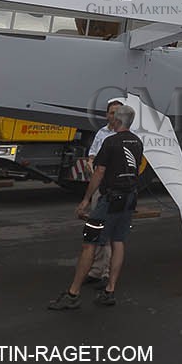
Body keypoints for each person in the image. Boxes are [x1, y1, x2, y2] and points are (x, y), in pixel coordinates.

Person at [48, 101, 142, 310]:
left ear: (117, 120)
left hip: (109, 199)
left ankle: (73, 294)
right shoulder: (137, 141)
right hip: (129, 198)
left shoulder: (110, 142)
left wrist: (85, 200)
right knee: (118, 241)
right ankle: (110, 290)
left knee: (89, 243)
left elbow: (99, 172)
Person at [81, 100, 119, 288]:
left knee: (108, 230)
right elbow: (92, 155)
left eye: (118, 112)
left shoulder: (125, 135)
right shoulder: (101, 133)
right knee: (95, 227)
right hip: (99, 185)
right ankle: (96, 270)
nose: (114, 116)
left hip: (113, 188)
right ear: (106, 115)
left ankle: (105, 273)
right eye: (111, 112)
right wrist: (90, 163)